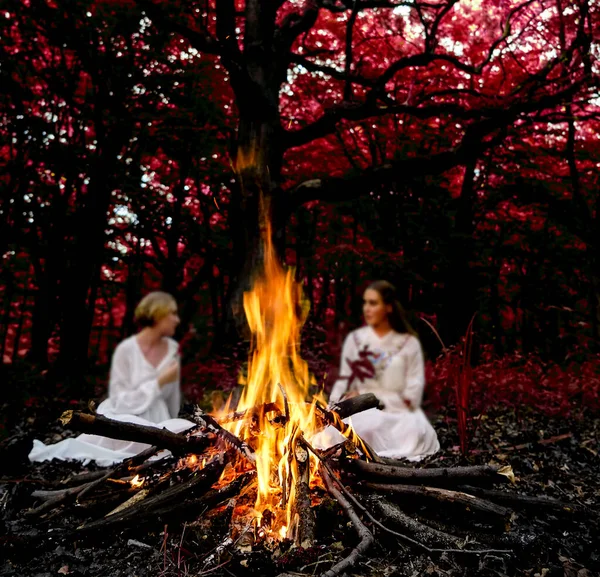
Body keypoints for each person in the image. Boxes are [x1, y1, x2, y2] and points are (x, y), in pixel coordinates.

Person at [29, 292, 195, 466]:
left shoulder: (172, 349)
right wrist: (159, 381)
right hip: (124, 412)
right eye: (172, 314)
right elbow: (121, 398)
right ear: (157, 314)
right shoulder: (127, 349)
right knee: (140, 435)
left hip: (158, 417)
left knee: (186, 429)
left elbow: (171, 399)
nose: (177, 320)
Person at [315, 281, 439, 461]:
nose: (367, 309)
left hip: (394, 407)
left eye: (373, 303)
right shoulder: (356, 339)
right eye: (365, 303)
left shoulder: (407, 343)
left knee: (408, 429)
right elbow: (344, 379)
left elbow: (413, 386)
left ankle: (373, 456)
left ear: (388, 307)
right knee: (348, 427)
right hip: (357, 406)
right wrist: (333, 405)